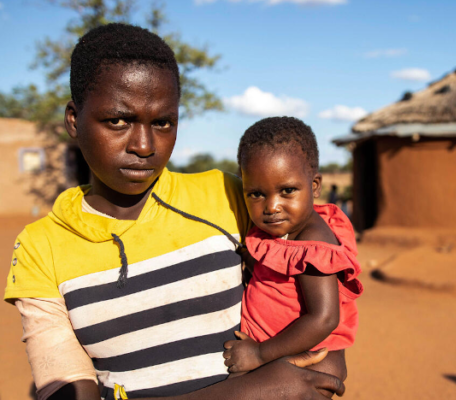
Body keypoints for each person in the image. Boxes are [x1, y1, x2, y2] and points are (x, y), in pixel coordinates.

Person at [3, 24, 345, 400]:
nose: (144, 145)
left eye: (162, 122)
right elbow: (69, 387)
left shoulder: (227, 197)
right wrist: (243, 394)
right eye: (118, 120)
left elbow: (316, 291)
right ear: (73, 119)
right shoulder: (40, 249)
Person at [223, 117, 363, 387]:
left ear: (314, 186)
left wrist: (260, 354)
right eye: (255, 194)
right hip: (280, 353)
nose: (271, 206)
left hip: (304, 359)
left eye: (287, 191)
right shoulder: (279, 231)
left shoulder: (314, 245)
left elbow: (324, 318)